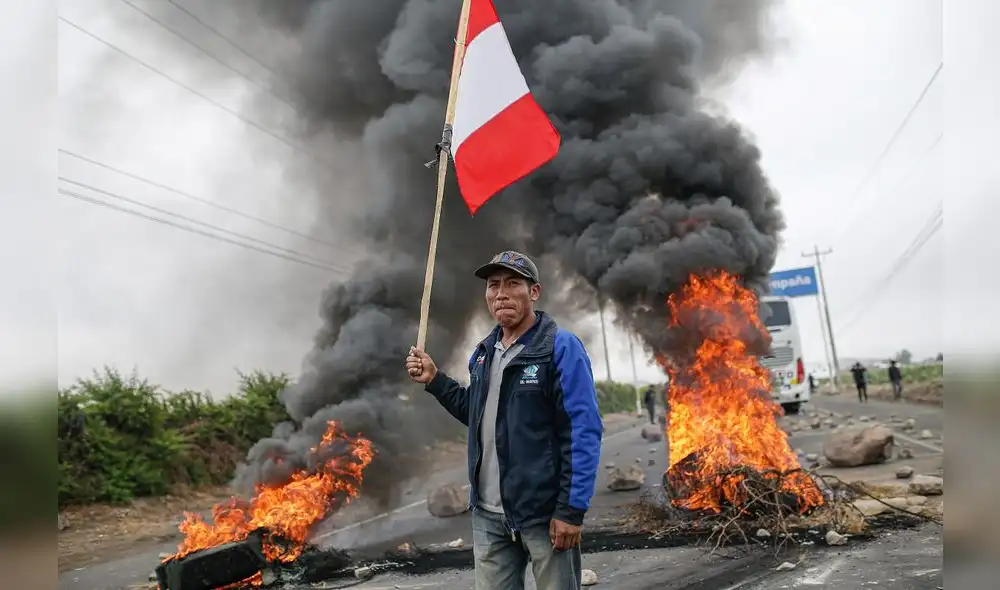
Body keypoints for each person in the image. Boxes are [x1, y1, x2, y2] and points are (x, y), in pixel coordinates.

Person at [406, 250, 603, 590]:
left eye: (513, 284)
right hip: (488, 517)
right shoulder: (484, 353)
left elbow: (583, 431)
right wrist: (436, 380)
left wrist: (571, 511)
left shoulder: (560, 347)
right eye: (493, 285)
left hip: (544, 516)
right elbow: (478, 413)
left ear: (534, 292)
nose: (501, 293)